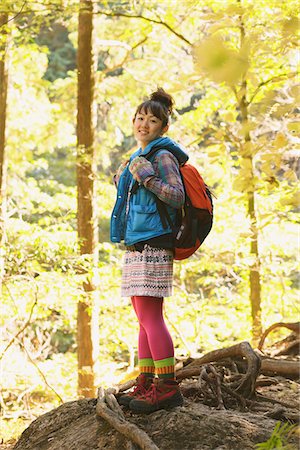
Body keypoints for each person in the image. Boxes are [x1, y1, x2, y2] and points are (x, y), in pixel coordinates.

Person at [110, 88, 189, 413]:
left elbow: (175, 196)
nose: (144, 123)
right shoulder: (138, 156)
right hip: (137, 245)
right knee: (143, 319)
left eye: (152, 119)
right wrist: (126, 177)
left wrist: (146, 177)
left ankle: (167, 388)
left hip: (155, 244)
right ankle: (146, 383)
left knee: (152, 318)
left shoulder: (162, 157)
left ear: (163, 127)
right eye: (140, 117)